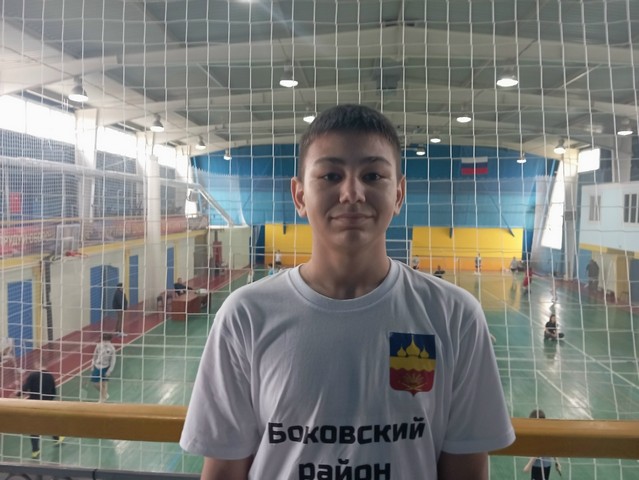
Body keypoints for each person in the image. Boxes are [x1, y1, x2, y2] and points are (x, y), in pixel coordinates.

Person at [180, 104, 515, 479]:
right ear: (299, 196)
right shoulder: (246, 315)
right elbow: (224, 469)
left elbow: (466, 470)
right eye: (330, 175)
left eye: (373, 175)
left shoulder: (455, 316)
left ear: (399, 194)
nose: (352, 193)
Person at [20, 363, 64, 458]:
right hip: (46, 405)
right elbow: (54, 393)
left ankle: (35, 450)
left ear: (37, 364)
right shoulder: (50, 376)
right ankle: (57, 439)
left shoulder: (32, 375)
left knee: (34, 427)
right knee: (49, 422)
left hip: (34, 405)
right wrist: (48, 402)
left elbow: (24, 389)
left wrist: (17, 394)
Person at [523, 410, 562, 479]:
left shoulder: (539, 434)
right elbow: (553, 448)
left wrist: (528, 465)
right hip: (547, 465)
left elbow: (538, 451)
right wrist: (557, 462)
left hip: (538, 466)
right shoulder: (547, 432)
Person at [90, 333, 116, 402]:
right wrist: (92, 365)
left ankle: (102, 399)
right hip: (97, 366)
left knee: (104, 383)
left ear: (109, 340)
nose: (104, 342)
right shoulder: (98, 345)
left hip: (105, 367)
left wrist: (109, 371)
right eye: (103, 340)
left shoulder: (112, 348)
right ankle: (105, 394)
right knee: (95, 383)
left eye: (106, 341)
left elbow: (113, 361)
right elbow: (95, 356)